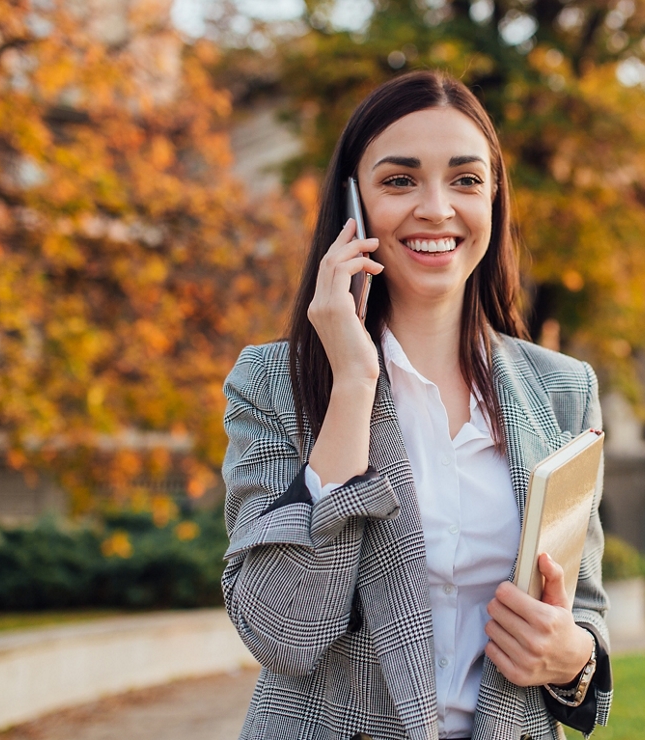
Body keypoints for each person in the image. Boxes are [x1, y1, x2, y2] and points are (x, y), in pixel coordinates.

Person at [220, 70, 611, 740]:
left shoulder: (563, 390)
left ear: (494, 200)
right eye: (400, 180)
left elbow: (585, 614)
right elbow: (282, 633)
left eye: (465, 180)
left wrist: (572, 657)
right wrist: (350, 385)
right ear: (354, 205)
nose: (436, 208)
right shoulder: (271, 383)